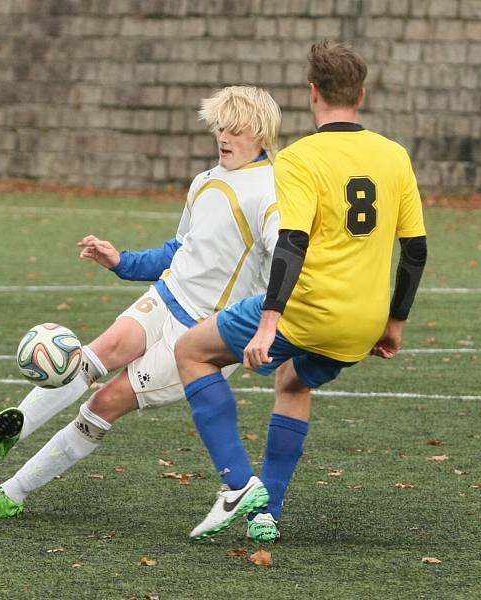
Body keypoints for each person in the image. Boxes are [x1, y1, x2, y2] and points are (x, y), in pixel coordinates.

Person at [0, 85, 283, 520]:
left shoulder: (272, 192)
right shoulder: (206, 181)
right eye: (219, 127)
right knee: (92, 356)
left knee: (102, 404)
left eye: (235, 130)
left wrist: (269, 328)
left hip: (203, 333)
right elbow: (179, 250)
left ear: (260, 131)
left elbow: (289, 265)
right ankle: (18, 425)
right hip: (166, 296)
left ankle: (10, 494)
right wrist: (121, 261)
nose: (223, 137)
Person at [175, 40, 428, 542]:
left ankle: (238, 483)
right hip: (364, 324)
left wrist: (269, 322)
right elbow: (415, 252)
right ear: (361, 92)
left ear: (313, 93)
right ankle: (268, 513)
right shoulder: (393, 155)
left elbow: (291, 243)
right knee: (292, 382)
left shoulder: (299, 158)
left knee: (191, 352)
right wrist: (394, 323)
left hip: (308, 312)